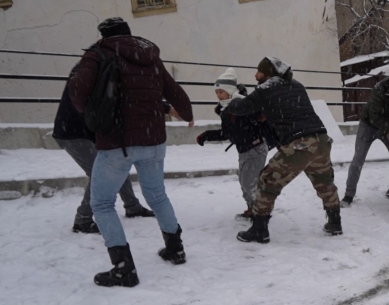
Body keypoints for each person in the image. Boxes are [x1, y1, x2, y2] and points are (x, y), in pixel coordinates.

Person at [69, 17, 193, 287]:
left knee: (101, 204)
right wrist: (187, 112)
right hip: (154, 140)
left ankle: (124, 269)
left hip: (118, 143)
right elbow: (173, 90)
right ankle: (175, 248)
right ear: (128, 33)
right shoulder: (148, 55)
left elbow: (77, 92)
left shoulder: (98, 53)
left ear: (102, 35)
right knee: (157, 195)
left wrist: (90, 112)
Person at [226, 57, 342, 243]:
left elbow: (242, 108)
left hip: (299, 144)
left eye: (259, 71)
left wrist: (232, 100)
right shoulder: (296, 85)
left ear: (268, 73)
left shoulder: (266, 88)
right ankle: (335, 223)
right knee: (324, 182)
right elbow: (285, 107)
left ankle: (259, 229)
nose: (256, 75)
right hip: (320, 139)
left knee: (267, 180)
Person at [52, 69, 156, 234]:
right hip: (73, 133)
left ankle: (132, 206)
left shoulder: (98, 67)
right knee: (99, 173)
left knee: (118, 163)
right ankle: (83, 220)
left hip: (88, 130)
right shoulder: (99, 71)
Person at [196, 68, 277, 221]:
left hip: (256, 147)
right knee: (244, 183)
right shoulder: (225, 110)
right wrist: (206, 135)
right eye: (217, 92)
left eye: (221, 91)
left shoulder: (244, 105)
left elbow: (261, 113)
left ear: (230, 91)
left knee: (248, 183)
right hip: (244, 150)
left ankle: (261, 215)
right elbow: (226, 133)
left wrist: (261, 115)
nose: (219, 95)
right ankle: (253, 209)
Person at [342, 63, 389, 207]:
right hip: (368, 125)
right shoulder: (379, 89)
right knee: (358, 160)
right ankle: (348, 195)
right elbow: (375, 116)